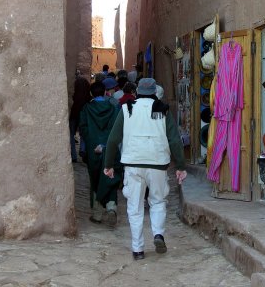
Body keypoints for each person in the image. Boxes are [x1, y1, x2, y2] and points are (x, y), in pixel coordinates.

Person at [104, 78, 187, 260]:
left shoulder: (127, 109)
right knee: (157, 201)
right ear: (155, 92)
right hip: (158, 164)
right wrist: (180, 166)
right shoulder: (163, 110)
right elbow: (174, 139)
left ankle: (138, 249)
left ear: (137, 92)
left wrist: (108, 164)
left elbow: (112, 139)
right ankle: (158, 234)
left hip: (133, 164)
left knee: (135, 206)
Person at [79, 81, 122, 226]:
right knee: (110, 175)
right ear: (105, 92)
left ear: (91, 93)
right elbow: (117, 128)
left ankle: (97, 214)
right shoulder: (113, 107)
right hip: (110, 148)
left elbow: (83, 128)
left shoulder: (86, 109)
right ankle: (111, 207)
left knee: (95, 178)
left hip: (93, 148)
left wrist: (92, 141)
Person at [69, 70, 90, 163]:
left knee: (71, 134)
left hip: (74, 111)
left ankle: (73, 155)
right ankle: (83, 150)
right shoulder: (85, 82)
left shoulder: (72, 84)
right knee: (83, 133)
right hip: (84, 111)